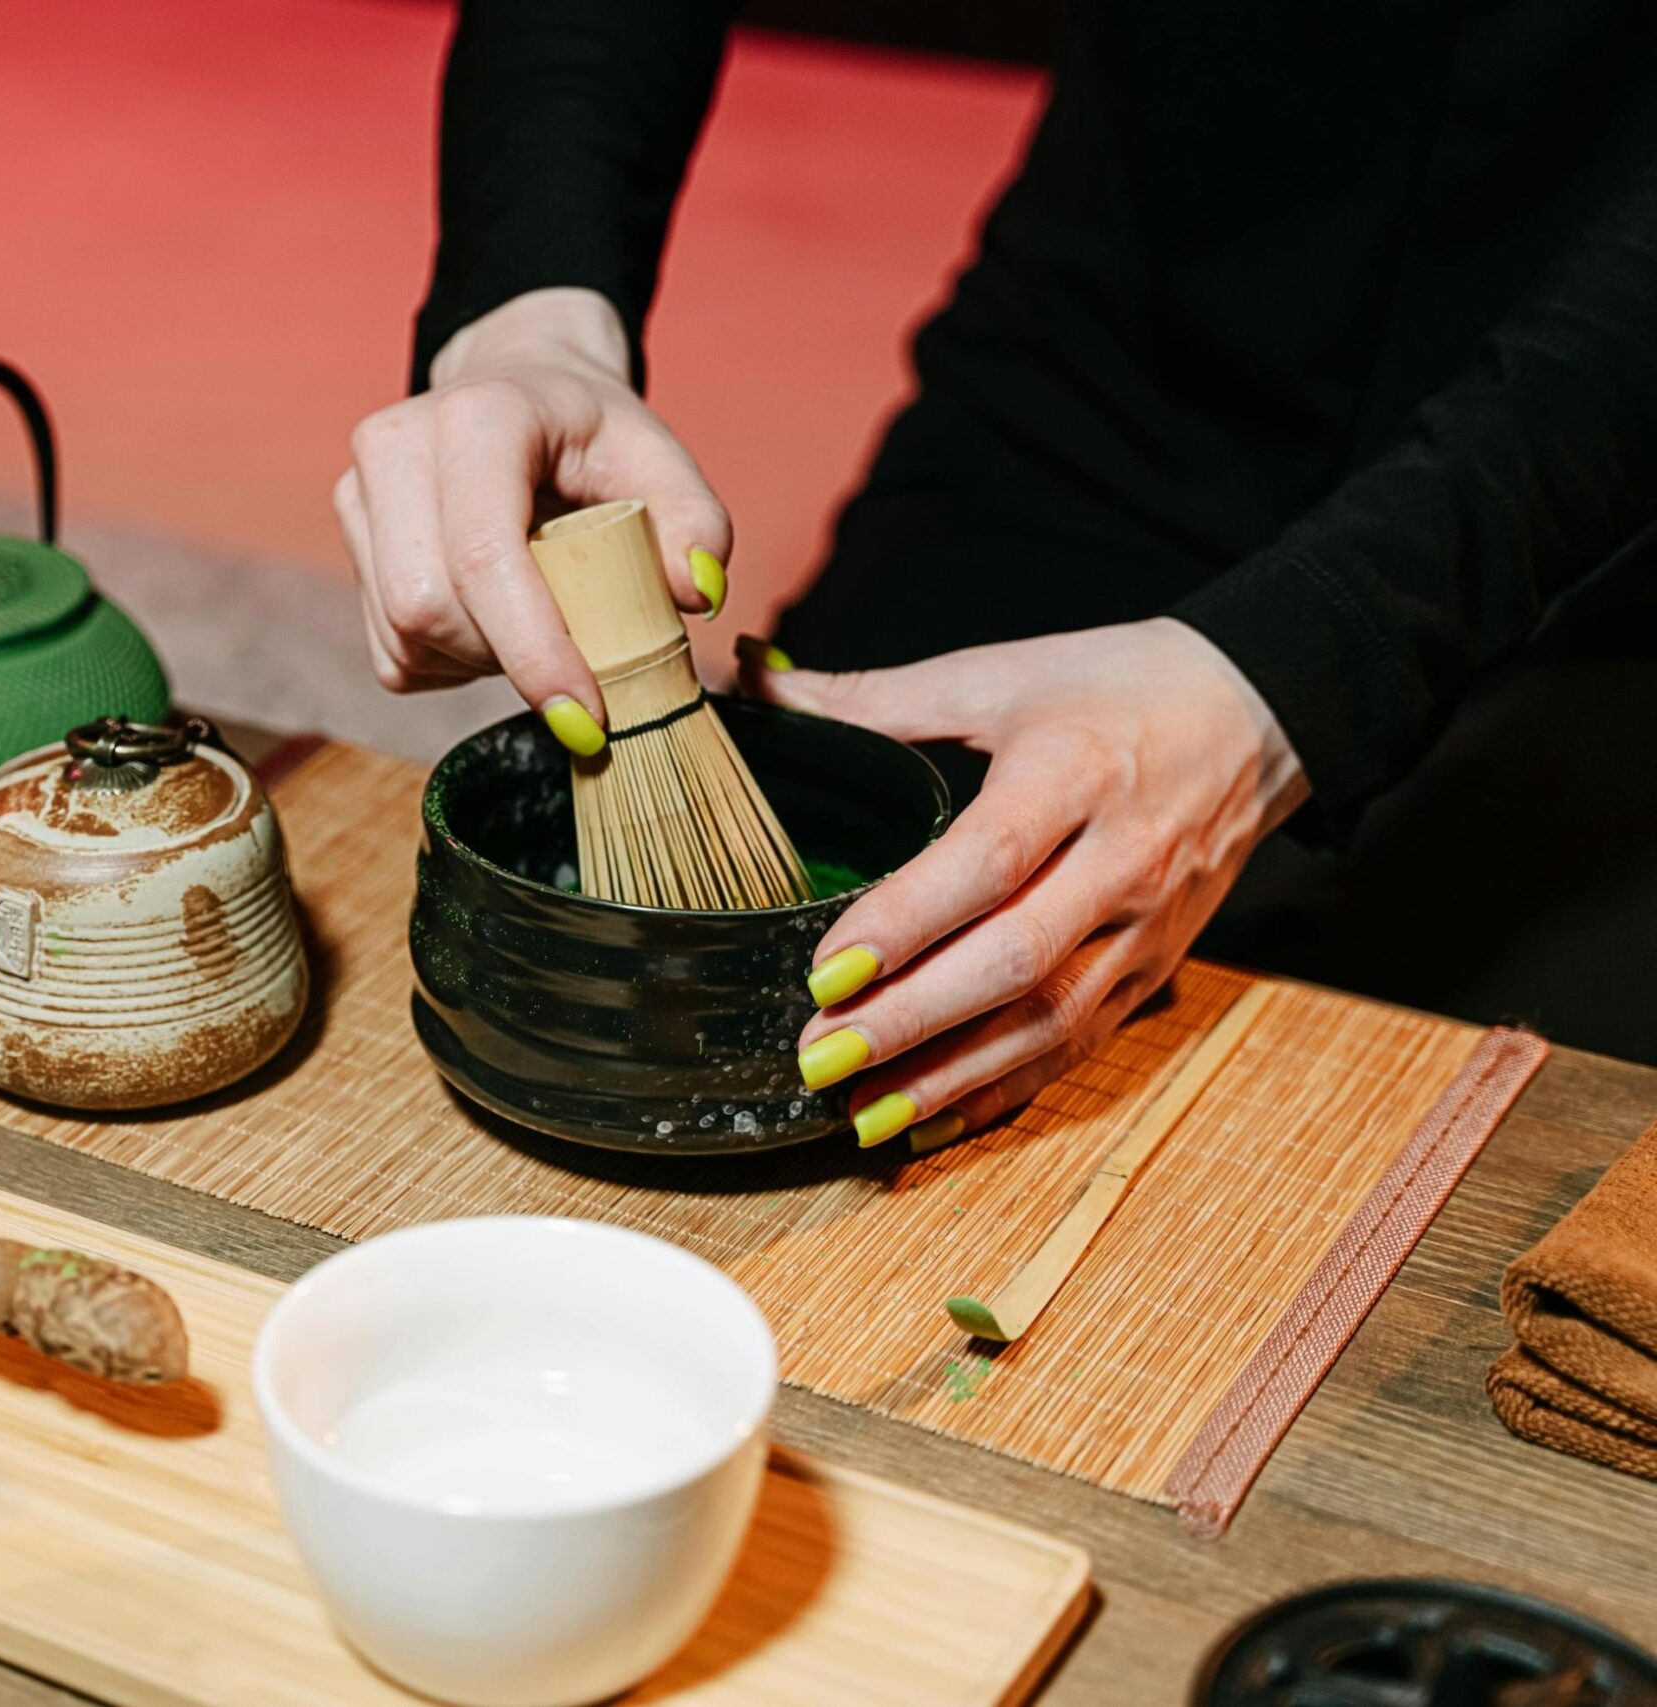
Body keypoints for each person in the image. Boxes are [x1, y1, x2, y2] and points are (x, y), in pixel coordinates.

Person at [336, 1, 1657, 1148]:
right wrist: (530, 312)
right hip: (1116, 365)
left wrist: (1308, 662)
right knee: (790, 1025)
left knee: (1492, 1169)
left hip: (1611, 536)